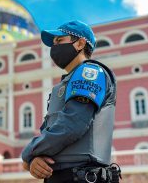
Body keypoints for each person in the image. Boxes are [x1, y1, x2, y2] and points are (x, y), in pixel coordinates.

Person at [21, 20, 121, 183]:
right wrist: (35, 161)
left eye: (59, 41)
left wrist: (30, 152)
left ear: (80, 43)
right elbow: (52, 130)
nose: (54, 47)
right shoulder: (65, 84)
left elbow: (73, 123)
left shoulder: (90, 73)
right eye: (53, 43)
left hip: (84, 176)